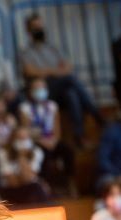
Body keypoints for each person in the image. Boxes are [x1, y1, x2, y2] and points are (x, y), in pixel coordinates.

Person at [21, 14, 102, 145]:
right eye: (35, 27)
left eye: (40, 26)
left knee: (71, 93)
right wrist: (56, 71)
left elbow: (68, 67)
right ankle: (95, 113)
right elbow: (30, 71)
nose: (39, 29)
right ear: (28, 30)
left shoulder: (53, 48)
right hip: (45, 90)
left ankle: (78, 135)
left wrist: (46, 71)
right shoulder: (26, 52)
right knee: (70, 80)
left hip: (61, 87)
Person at [19, 77, 75, 197]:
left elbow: (57, 130)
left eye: (42, 88)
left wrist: (53, 141)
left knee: (68, 150)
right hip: (36, 142)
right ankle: (48, 188)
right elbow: (27, 131)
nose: (40, 91)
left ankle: (69, 184)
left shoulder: (52, 106)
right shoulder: (25, 108)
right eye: (37, 88)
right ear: (30, 91)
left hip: (52, 140)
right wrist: (42, 141)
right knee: (42, 153)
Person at [0, 126, 49, 206]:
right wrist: (20, 155)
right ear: (13, 140)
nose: (23, 143)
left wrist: (22, 157)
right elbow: (13, 182)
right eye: (20, 139)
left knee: (37, 188)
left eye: (25, 139)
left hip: (29, 188)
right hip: (10, 189)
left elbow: (28, 178)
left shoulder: (37, 152)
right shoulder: (3, 153)